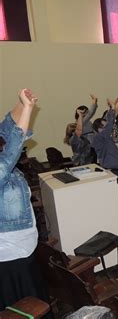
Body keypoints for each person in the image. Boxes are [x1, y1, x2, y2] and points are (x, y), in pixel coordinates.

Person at [0, 89, 48, 310]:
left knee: (35, 302)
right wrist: (28, 110)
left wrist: (22, 103)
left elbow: (8, 128)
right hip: (10, 256)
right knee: (23, 308)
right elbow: (12, 151)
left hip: (24, 251)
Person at [92, 98, 118, 183]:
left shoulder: (104, 136)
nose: (107, 128)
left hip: (115, 167)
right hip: (111, 168)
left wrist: (114, 107)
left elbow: (111, 122)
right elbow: (110, 123)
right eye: (104, 127)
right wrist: (112, 108)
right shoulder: (99, 137)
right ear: (99, 129)